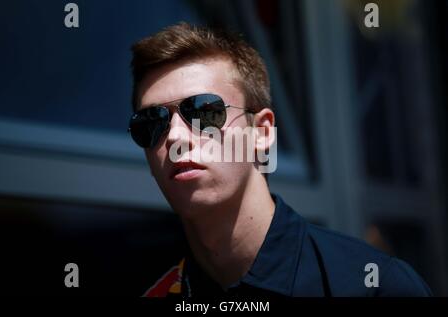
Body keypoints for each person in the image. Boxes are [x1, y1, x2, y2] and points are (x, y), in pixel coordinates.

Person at [128, 22, 432, 297]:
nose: (175, 137)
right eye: (151, 122)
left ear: (261, 132)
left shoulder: (376, 287)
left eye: (203, 112)